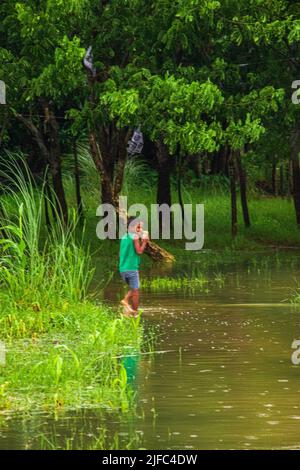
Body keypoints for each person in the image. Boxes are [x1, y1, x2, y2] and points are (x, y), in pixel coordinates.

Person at [119, 217, 149, 317]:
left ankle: (127, 311)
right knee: (135, 292)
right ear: (132, 226)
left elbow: (120, 254)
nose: (140, 229)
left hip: (123, 269)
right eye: (139, 226)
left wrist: (141, 233)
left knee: (134, 288)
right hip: (132, 268)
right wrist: (144, 241)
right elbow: (139, 251)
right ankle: (135, 313)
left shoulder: (124, 237)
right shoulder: (135, 237)